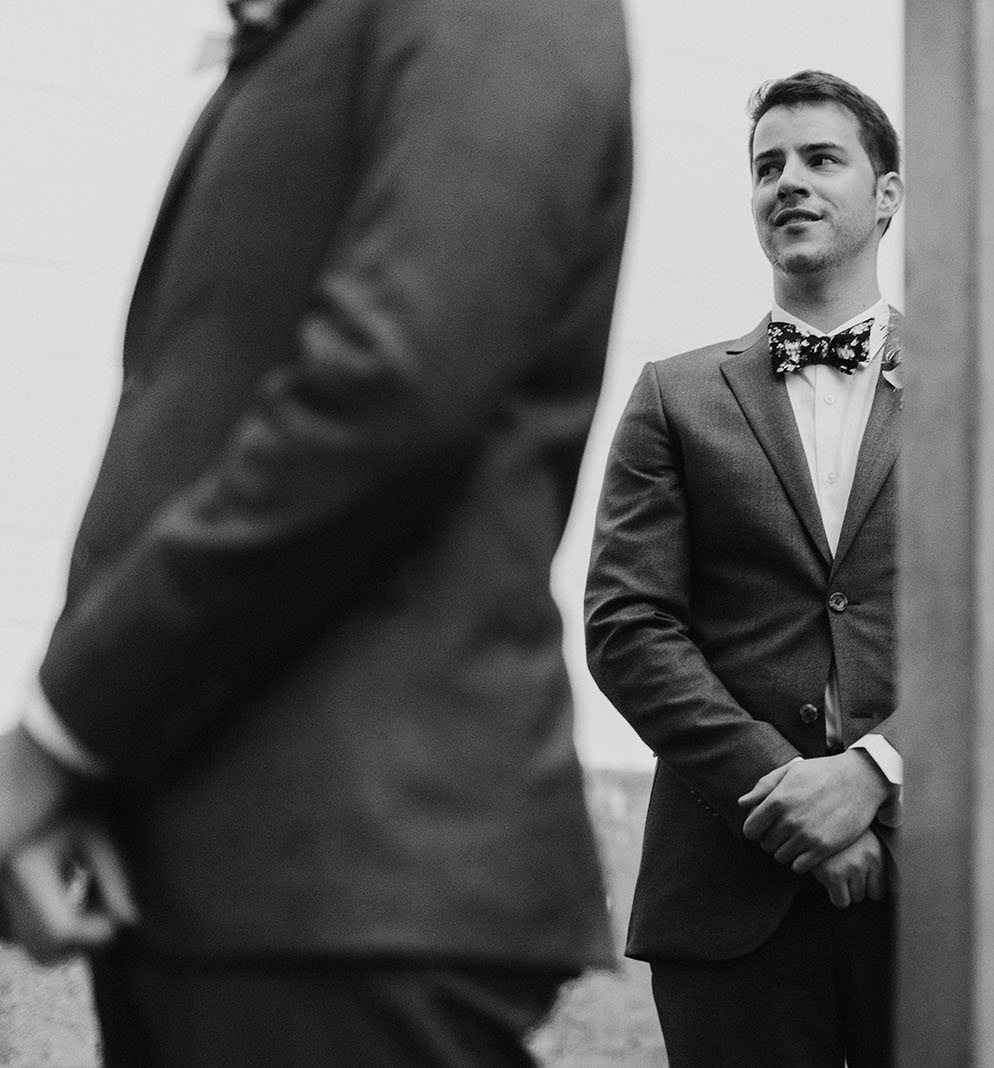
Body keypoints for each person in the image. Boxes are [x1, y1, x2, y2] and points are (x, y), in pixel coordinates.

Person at [0, 0, 632, 1064]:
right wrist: (104, 769)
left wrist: (65, 729)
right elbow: (192, 422)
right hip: (199, 884)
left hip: (354, 880)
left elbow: (387, 394)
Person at [585, 69, 905, 1068]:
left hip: (934, 886)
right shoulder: (674, 397)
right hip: (728, 891)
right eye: (768, 165)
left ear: (887, 194)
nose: (789, 183)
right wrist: (786, 795)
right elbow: (627, 627)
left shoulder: (975, 385)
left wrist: (875, 771)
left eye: (820, 159)